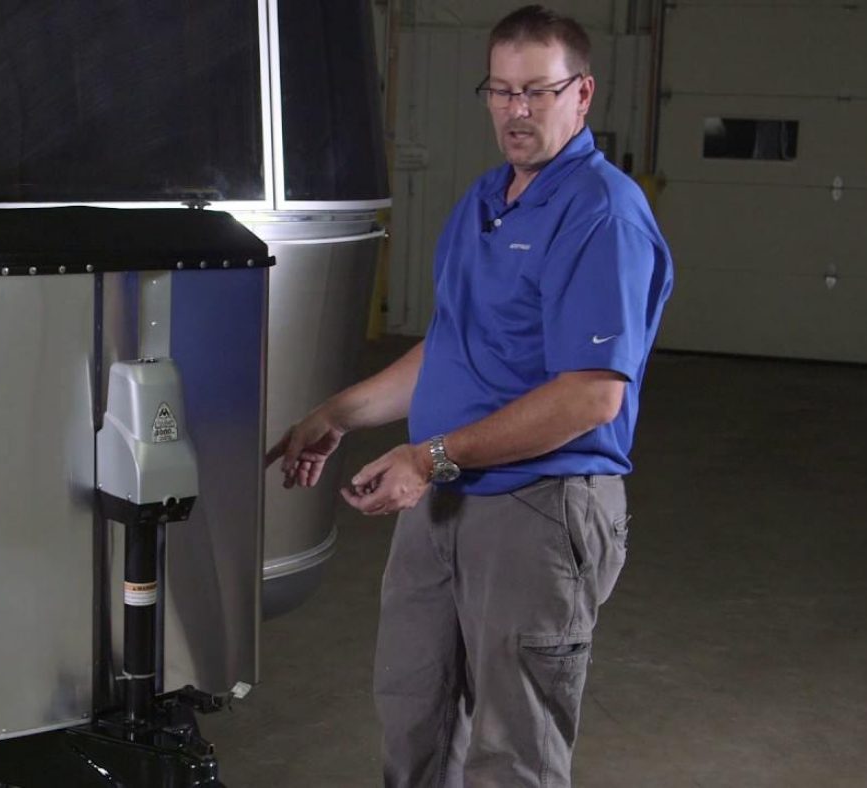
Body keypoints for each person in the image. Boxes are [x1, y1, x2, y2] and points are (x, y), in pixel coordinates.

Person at [267, 5, 674, 787]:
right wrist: (338, 414)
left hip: (538, 509)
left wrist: (429, 458)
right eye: (501, 90)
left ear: (582, 94)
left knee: (513, 748)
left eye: (537, 91)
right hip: (444, 502)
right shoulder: (486, 200)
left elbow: (590, 397)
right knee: (412, 712)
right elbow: (452, 347)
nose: (517, 110)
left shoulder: (602, 214)